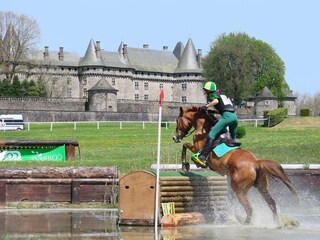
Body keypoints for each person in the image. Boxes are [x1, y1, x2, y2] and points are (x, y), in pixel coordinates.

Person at [192, 81, 238, 167]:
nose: (205, 92)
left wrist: (206, 106)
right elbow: (225, 107)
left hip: (227, 117)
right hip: (234, 118)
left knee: (211, 135)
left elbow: (216, 101)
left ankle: (203, 157)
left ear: (209, 90)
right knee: (233, 141)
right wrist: (215, 111)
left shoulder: (213, 94)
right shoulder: (222, 94)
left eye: (206, 90)